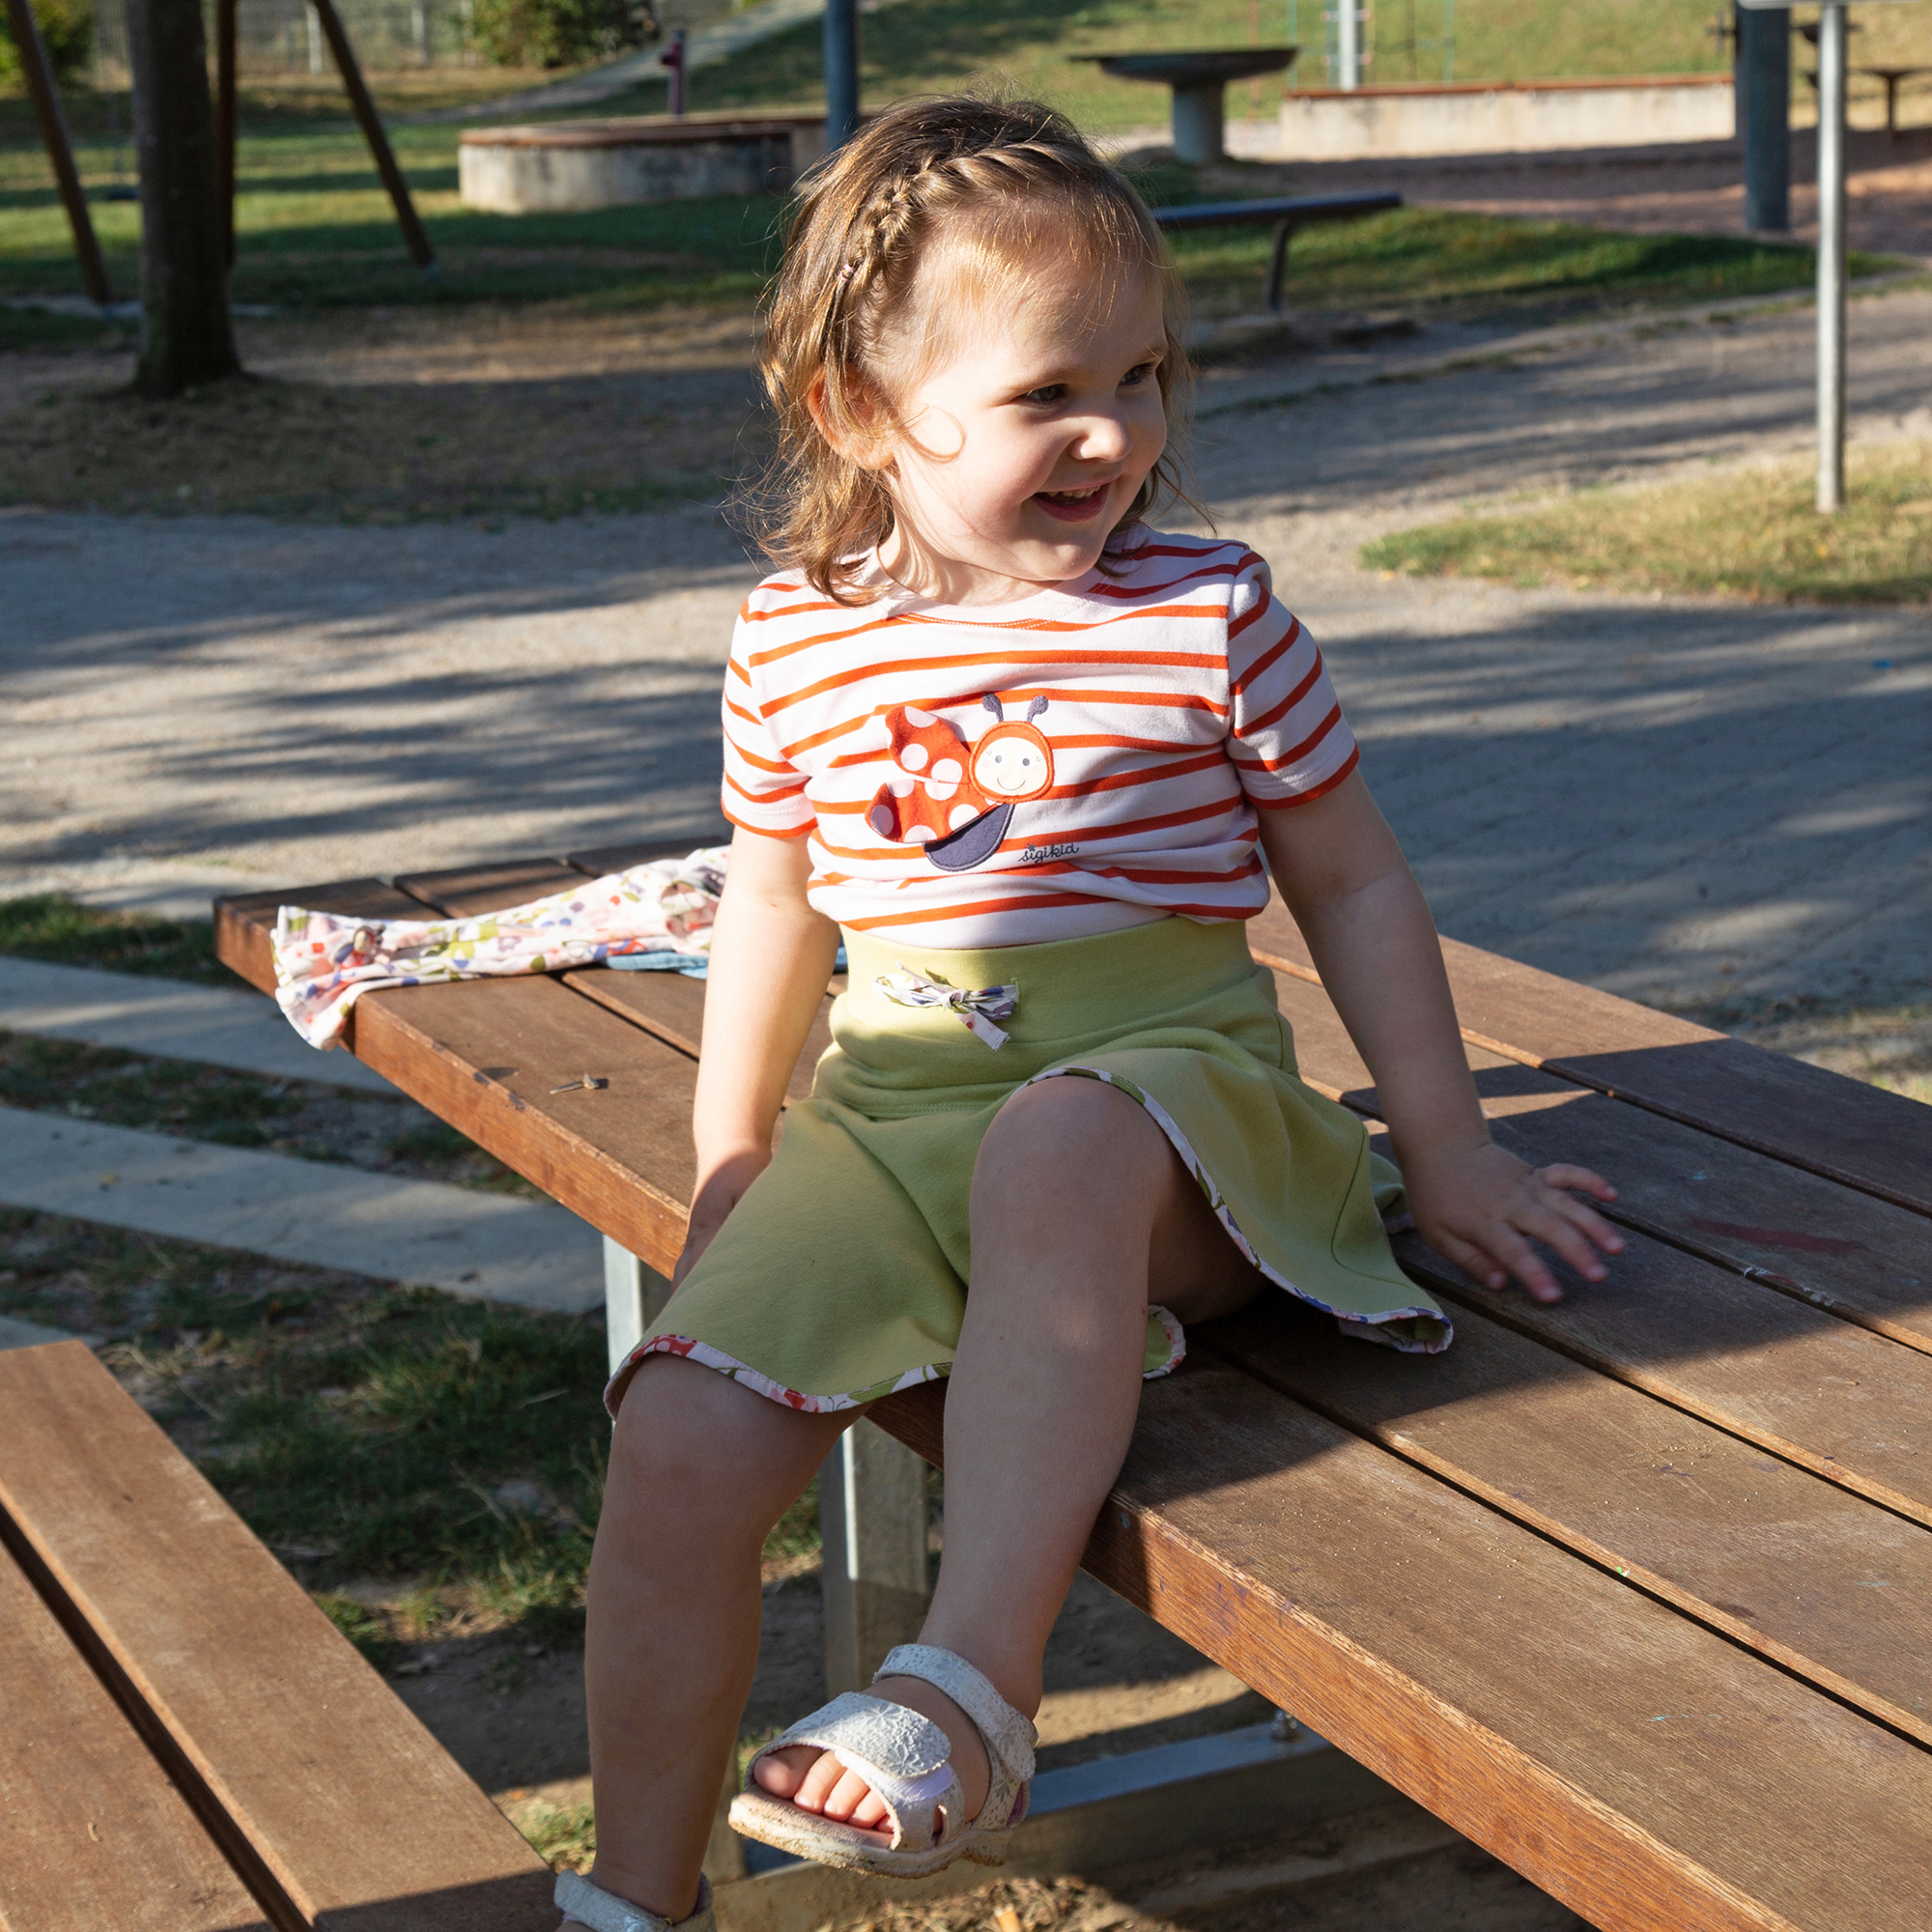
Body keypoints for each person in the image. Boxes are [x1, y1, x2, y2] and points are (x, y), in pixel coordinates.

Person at [555, 93, 1623, 1932]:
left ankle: (973, 1689)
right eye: (1054, 389)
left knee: (1058, 1142)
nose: (1117, 432)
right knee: (674, 1444)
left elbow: (1352, 880)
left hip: (1167, 1128)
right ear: (860, 415)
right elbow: (778, 897)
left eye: (1143, 373)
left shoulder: (1206, 615)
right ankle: (637, 1901)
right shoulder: (791, 636)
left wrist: (1442, 1150)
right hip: (889, 1121)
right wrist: (730, 1145)